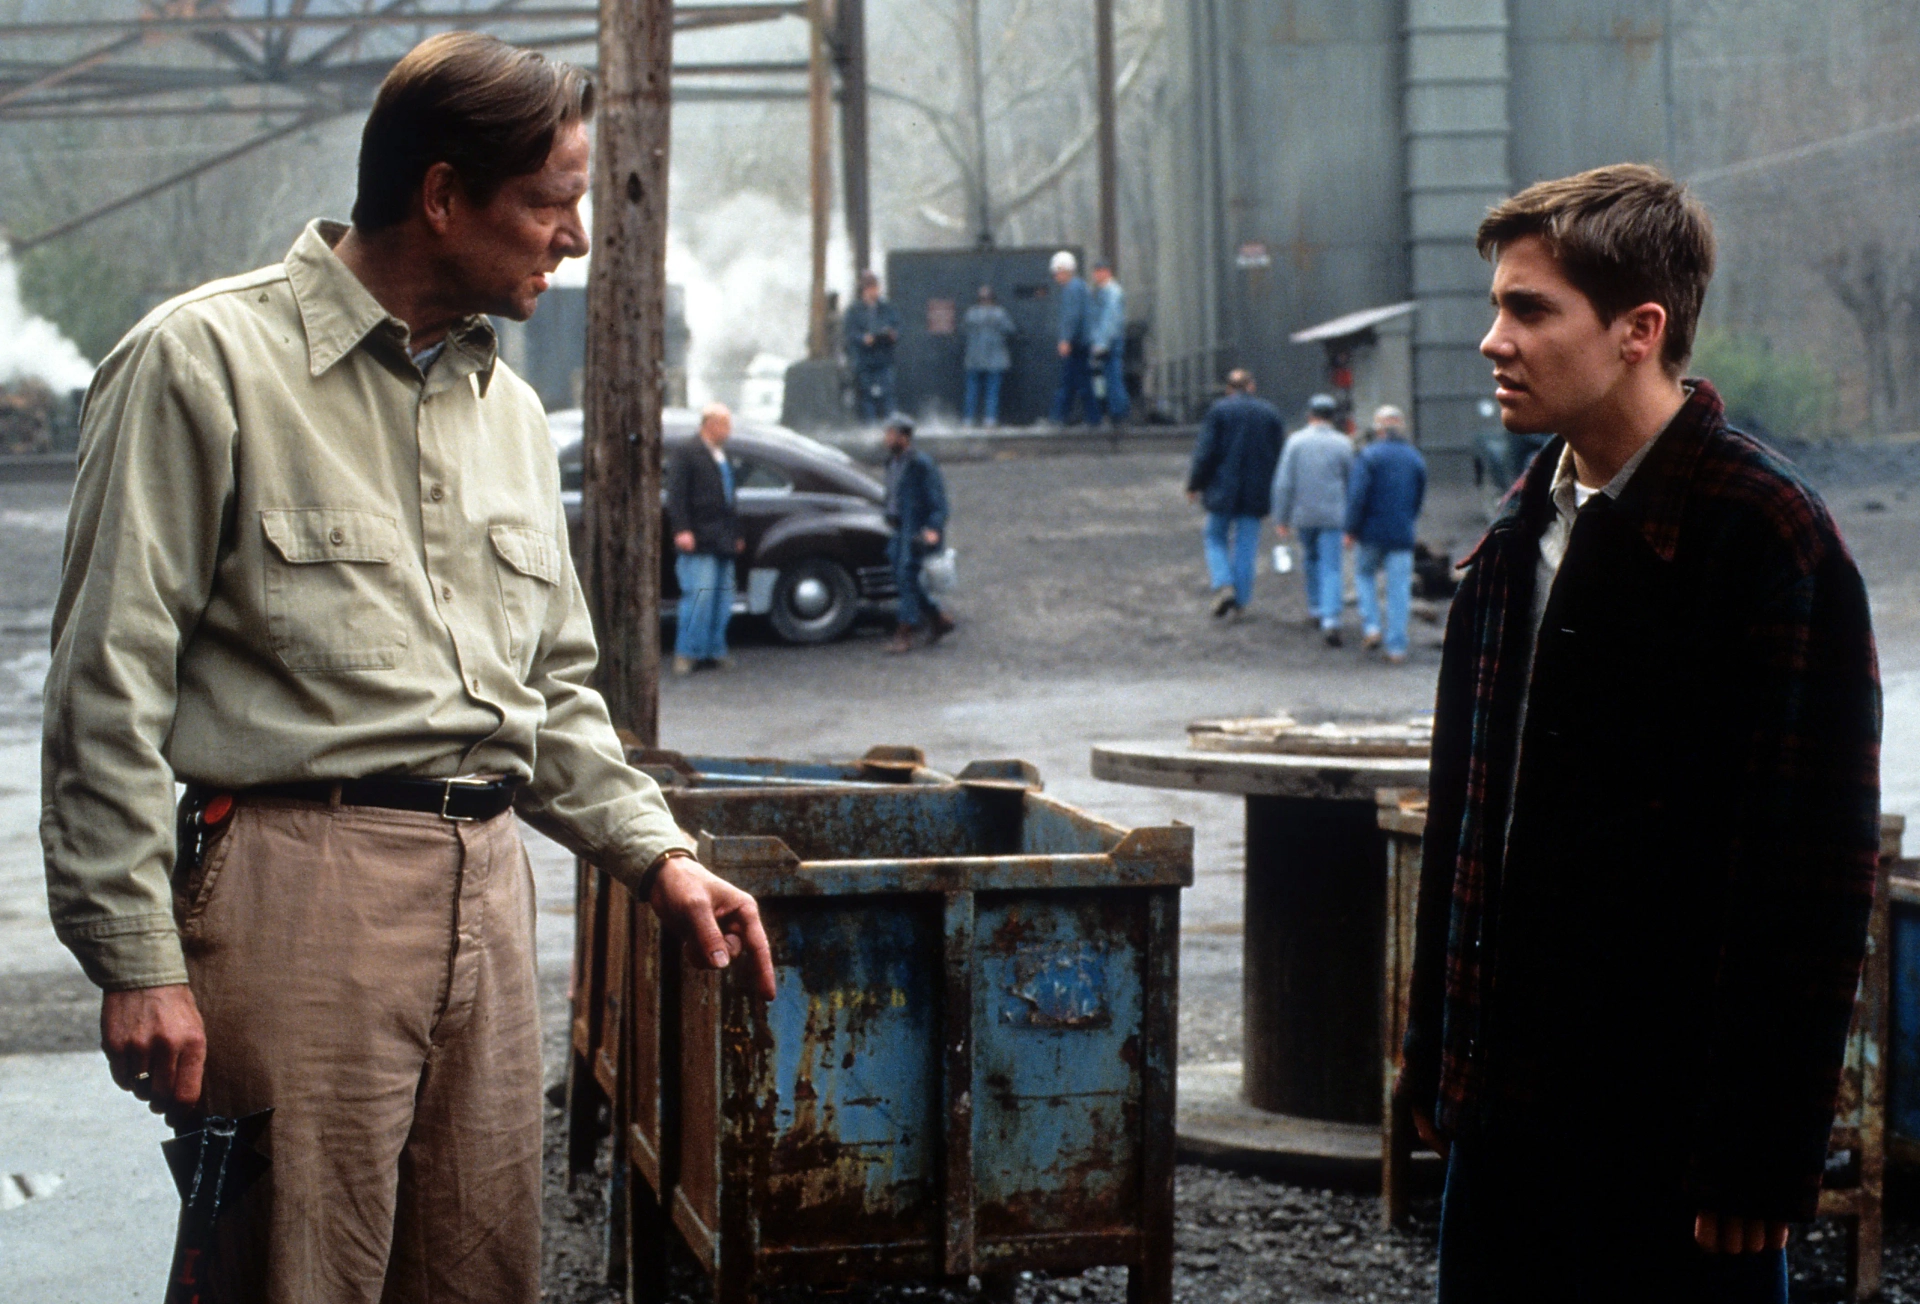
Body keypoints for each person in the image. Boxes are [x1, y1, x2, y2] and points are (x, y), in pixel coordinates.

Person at [39, 34, 777, 1303]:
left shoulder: (499, 407)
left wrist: (656, 853)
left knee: (478, 1270)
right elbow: (106, 686)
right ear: (442, 196)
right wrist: (138, 956)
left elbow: (544, 692)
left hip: (490, 898)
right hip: (295, 895)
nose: (579, 238)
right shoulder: (201, 364)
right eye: (551, 202)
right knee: (292, 1275)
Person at [1397, 164, 1881, 1304]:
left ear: (1638, 329)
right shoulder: (1515, 541)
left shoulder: (1765, 539)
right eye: (1496, 306)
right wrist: (1435, 1055)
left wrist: (1764, 1151)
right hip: (1504, 1131)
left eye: (1528, 309)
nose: (1491, 340)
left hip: (1675, 1157)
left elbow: (1810, 880)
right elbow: (1468, 820)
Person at [1186, 368, 1284, 619]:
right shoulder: (1270, 413)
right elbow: (1278, 455)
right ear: (1252, 386)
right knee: (1246, 545)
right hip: (1256, 490)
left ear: (1229, 388)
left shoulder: (1219, 411)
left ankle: (1223, 583)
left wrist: (1195, 483)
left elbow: (1205, 452)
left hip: (1222, 488)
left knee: (1215, 537)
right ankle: (1241, 601)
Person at [667, 402, 745, 675]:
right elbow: (675, 495)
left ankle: (714, 648)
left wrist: (737, 533)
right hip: (698, 537)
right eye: (725, 424)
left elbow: (729, 499)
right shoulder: (687, 453)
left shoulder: (721, 454)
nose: (729, 430)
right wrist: (682, 529)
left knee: (721, 598)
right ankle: (688, 651)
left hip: (722, 537)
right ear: (710, 424)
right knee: (699, 596)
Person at [1270, 393, 1354, 644]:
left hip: (1303, 514)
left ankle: (1315, 607)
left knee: (1310, 559)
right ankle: (1331, 618)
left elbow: (1284, 483)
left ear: (1310, 415)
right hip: (1333, 515)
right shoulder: (1343, 443)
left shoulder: (1295, 442)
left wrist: (1281, 517)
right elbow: (1352, 482)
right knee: (1331, 566)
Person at [1344, 404, 1426, 662]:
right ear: (1401, 426)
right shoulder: (1414, 458)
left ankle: (1372, 626)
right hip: (1401, 533)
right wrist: (1408, 519)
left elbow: (1357, 497)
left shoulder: (1368, 456)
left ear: (1378, 429)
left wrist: (1350, 529)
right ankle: (1397, 647)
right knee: (1399, 589)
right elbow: (1418, 497)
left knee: (1365, 575)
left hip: (1370, 533)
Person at [880, 415, 954, 653]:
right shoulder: (892, 463)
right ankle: (938, 617)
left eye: (890, 434)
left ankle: (905, 632)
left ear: (904, 437)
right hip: (900, 528)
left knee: (906, 574)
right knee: (902, 574)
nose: (886, 438)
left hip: (916, 529)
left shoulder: (921, 464)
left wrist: (933, 528)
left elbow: (938, 502)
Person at [843, 269, 900, 422]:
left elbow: (896, 326)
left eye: (875, 287)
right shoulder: (853, 311)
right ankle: (870, 426)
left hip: (883, 357)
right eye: (869, 288)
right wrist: (863, 338)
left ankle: (890, 427)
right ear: (864, 289)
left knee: (888, 393)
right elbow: (849, 333)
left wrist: (891, 334)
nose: (873, 291)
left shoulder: (886, 308)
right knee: (866, 395)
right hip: (864, 359)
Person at [1048, 249, 1096, 425]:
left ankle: (1060, 418)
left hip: (1076, 344)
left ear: (1064, 270)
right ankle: (1087, 418)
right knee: (1076, 382)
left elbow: (1072, 316)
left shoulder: (1072, 288)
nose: (1055, 277)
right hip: (1081, 342)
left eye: (1056, 272)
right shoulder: (1080, 286)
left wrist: (1065, 339)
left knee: (1075, 382)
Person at [961, 284, 1016, 426]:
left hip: (974, 359)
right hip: (995, 359)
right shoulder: (1000, 313)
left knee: (972, 390)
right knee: (992, 391)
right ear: (993, 298)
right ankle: (990, 419)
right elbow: (1010, 330)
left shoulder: (971, 314)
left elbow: (963, 331)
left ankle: (968, 419)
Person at [1089, 259, 1130, 425]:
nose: (1096, 275)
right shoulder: (1106, 291)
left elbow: (1109, 319)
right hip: (1110, 340)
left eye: (1099, 271)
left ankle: (1119, 413)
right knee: (1110, 376)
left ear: (1107, 272)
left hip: (1110, 341)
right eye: (1095, 271)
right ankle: (1117, 411)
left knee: (1112, 376)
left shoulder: (1112, 292)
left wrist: (1102, 343)